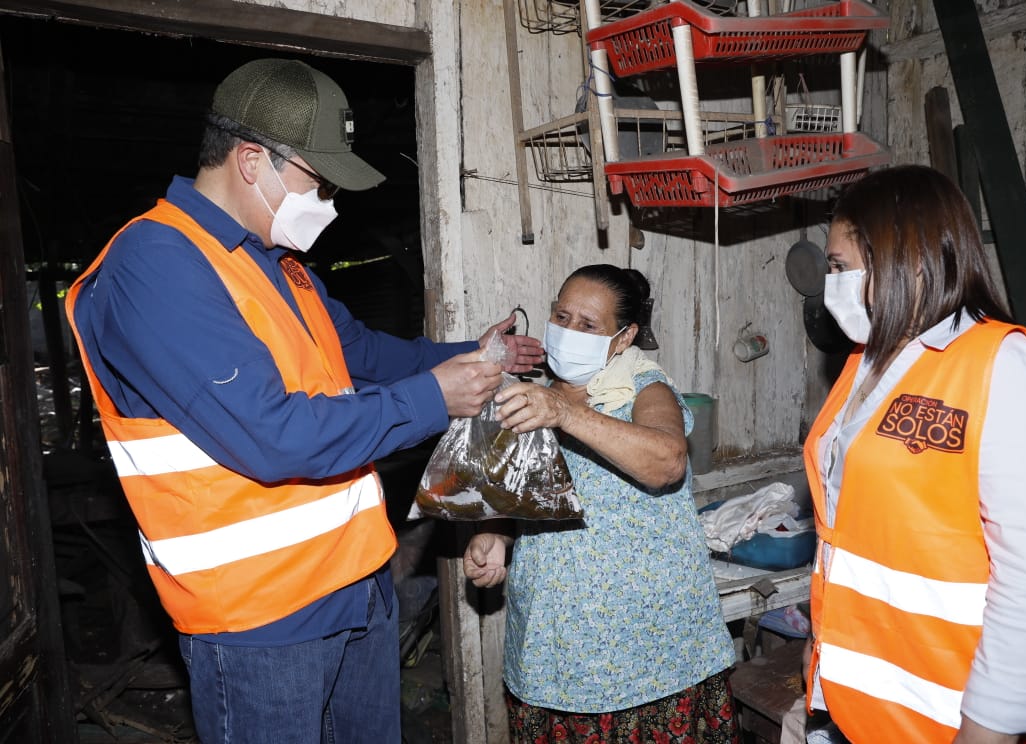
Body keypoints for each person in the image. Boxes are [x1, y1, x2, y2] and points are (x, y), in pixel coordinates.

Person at [64, 57, 543, 744]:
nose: (329, 202)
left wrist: (473, 355)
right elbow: (272, 435)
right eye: (317, 181)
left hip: (355, 582)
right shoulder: (157, 264)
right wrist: (437, 397)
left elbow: (369, 357)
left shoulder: (281, 267)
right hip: (263, 620)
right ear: (252, 161)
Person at [803, 164, 1026, 744]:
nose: (829, 283)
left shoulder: (1010, 372)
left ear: (908, 261)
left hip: (955, 721)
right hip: (859, 714)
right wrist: (819, 693)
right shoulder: (866, 366)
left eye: (840, 266)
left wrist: (988, 731)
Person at [464, 264, 739, 743]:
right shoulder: (531, 396)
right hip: (553, 637)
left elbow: (667, 461)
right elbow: (520, 495)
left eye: (588, 325)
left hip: (644, 645)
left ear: (623, 336)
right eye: (561, 316)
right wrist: (496, 534)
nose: (568, 332)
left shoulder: (643, 388)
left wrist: (566, 413)